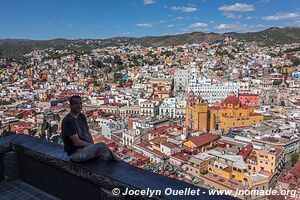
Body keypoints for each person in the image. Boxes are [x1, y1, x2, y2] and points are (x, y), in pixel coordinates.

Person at [61, 95, 121, 162]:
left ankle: (117, 162)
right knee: (102, 146)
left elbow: (87, 133)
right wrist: (92, 146)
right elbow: (76, 142)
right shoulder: (68, 121)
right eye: (76, 103)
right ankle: (120, 163)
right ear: (70, 106)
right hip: (75, 154)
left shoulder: (81, 116)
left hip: (84, 149)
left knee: (100, 149)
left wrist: (92, 147)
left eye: (80, 103)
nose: (79, 106)